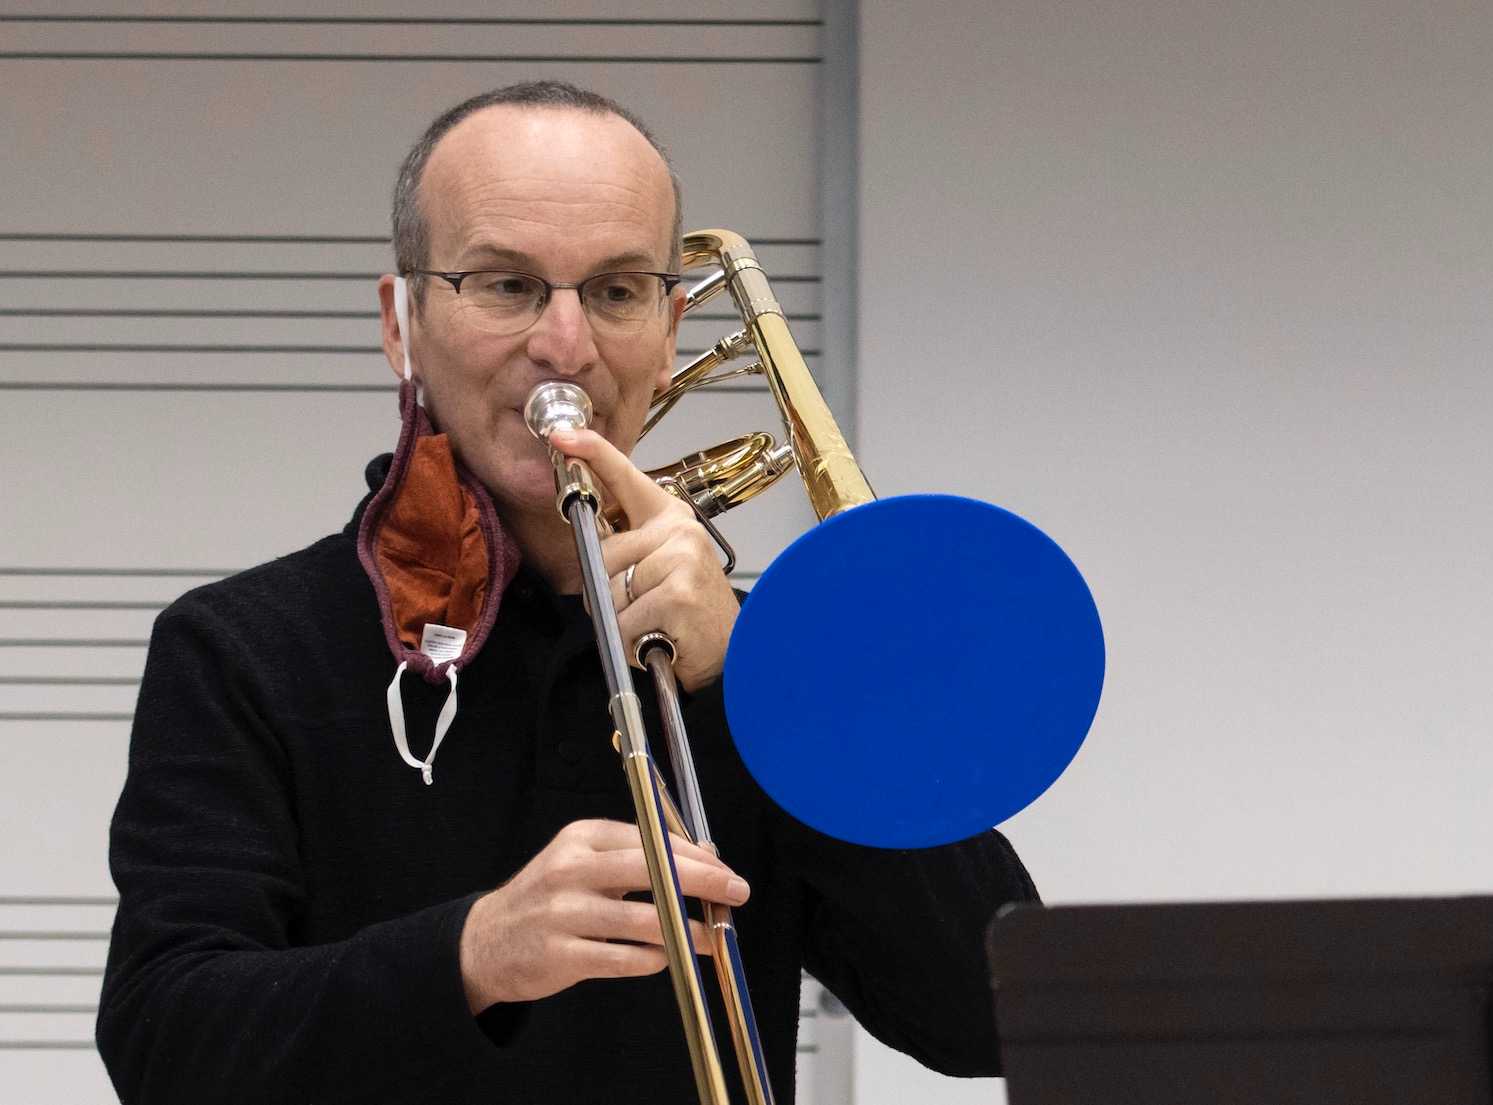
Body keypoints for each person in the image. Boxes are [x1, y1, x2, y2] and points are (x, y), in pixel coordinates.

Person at [97, 80, 1038, 1105]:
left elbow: (991, 1013)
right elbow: (165, 1042)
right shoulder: (244, 650)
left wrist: (761, 687)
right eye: (505, 285)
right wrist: (472, 952)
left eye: (617, 290)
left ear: (672, 330)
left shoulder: (764, 664)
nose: (567, 344)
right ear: (400, 321)